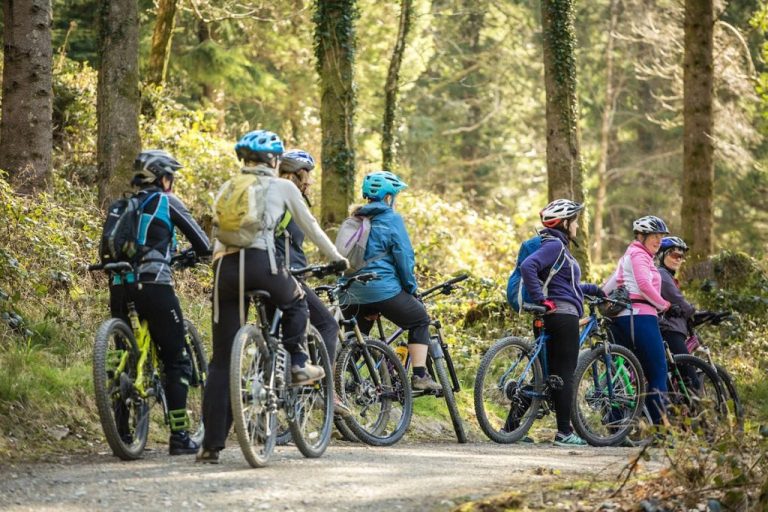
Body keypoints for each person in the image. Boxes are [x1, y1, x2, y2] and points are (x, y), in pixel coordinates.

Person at [198, 130, 348, 463]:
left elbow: (216, 236)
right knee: (296, 302)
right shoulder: (283, 186)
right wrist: (338, 257)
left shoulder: (227, 187)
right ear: (273, 160)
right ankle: (296, 362)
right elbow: (311, 227)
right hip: (261, 264)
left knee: (222, 360)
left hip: (224, 271)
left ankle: (211, 444)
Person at [108, 149, 212, 455]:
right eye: (171, 176)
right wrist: (200, 255)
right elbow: (203, 244)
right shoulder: (166, 202)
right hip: (154, 285)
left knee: (123, 360)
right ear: (163, 178)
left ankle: (123, 433)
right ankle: (179, 436)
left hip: (119, 283)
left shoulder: (121, 205)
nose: (173, 182)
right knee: (176, 359)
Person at [339, 171, 442, 392]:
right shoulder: (391, 219)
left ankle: (343, 379)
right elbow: (404, 257)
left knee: (358, 336)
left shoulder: (353, 219)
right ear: (389, 197)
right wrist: (411, 288)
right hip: (382, 289)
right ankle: (420, 376)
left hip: (350, 291)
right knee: (419, 320)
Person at [519, 199, 601, 447]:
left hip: (552, 313)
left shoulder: (555, 247)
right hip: (562, 316)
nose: (576, 226)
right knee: (565, 373)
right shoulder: (555, 245)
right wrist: (542, 299)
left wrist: (596, 289)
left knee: (545, 375)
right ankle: (564, 433)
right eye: (574, 221)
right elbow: (528, 266)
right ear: (565, 223)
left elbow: (568, 286)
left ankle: (511, 428)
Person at [275, 149, 349, 416]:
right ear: (296, 174)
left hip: (266, 272)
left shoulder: (271, 197)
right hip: (287, 275)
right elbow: (311, 232)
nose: (309, 182)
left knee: (286, 333)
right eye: (307, 176)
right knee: (328, 324)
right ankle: (323, 392)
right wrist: (336, 259)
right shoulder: (290, 198)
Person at [603, 215, 671, 426]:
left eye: (661, 237)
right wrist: (663, 304)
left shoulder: (628, 256)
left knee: (622, 371)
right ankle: (660, 429)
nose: (658, 240)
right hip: (641, 317)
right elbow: (643, 284)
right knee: (658, 370)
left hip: (623, 318)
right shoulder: (639, 255)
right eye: (654, 236)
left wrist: (598, 296)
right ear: (641, 236)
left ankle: (616, 425)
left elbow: (609, 286)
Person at [656, 236, 698, 382]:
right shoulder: (662, 275)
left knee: (677, 377)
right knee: (692, 379)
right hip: (670, 330)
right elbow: (680, 302)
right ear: (661, 255)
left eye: (681, 257)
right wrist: (694, 312)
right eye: (674, 255)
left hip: (672, 329)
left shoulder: (667, 276)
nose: (678, 259)